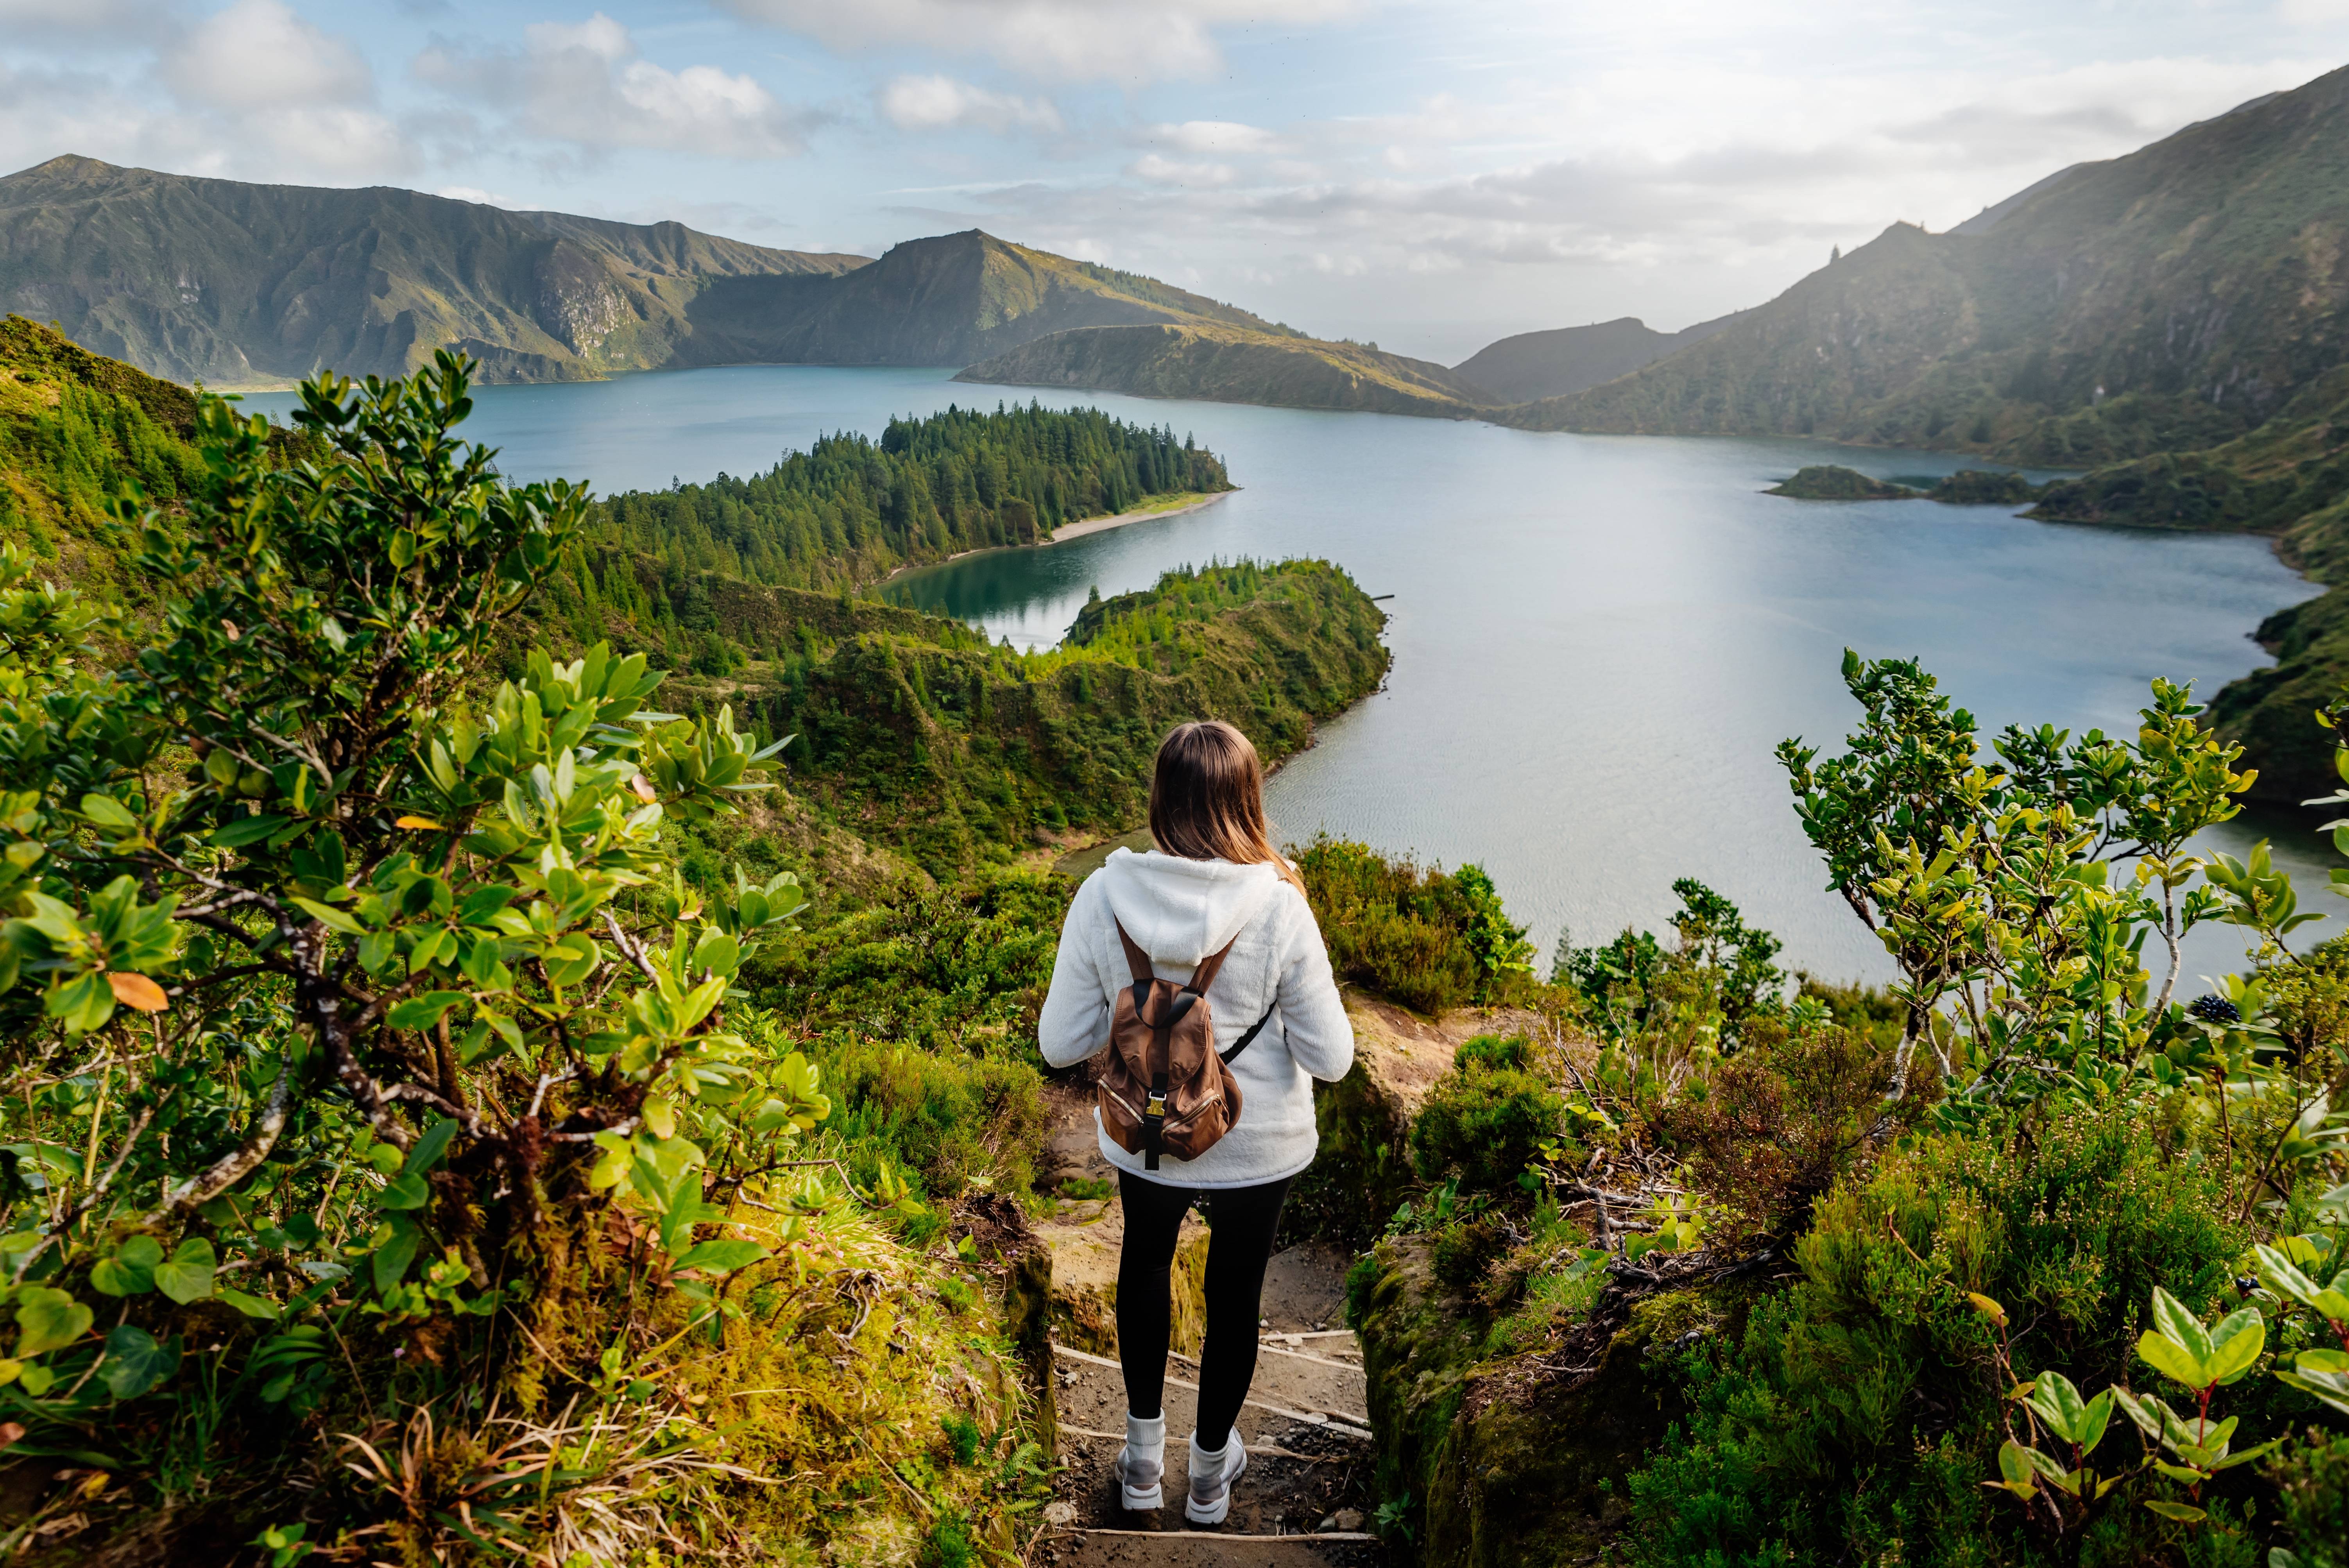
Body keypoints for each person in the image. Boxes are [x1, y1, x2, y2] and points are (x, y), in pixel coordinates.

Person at [1037, 720, 1354, 1527]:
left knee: (1145, 1263)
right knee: (1235, 1292)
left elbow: (1061, 1042)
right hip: (1258, 1140)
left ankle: (1141, 1465)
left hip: (1144, 1134)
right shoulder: (1278, 905)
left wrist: (1134, 1016)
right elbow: (1330, 1057)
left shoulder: (1102, 895)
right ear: (1246, 800)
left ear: (1161, 798)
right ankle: (1210, 1478)